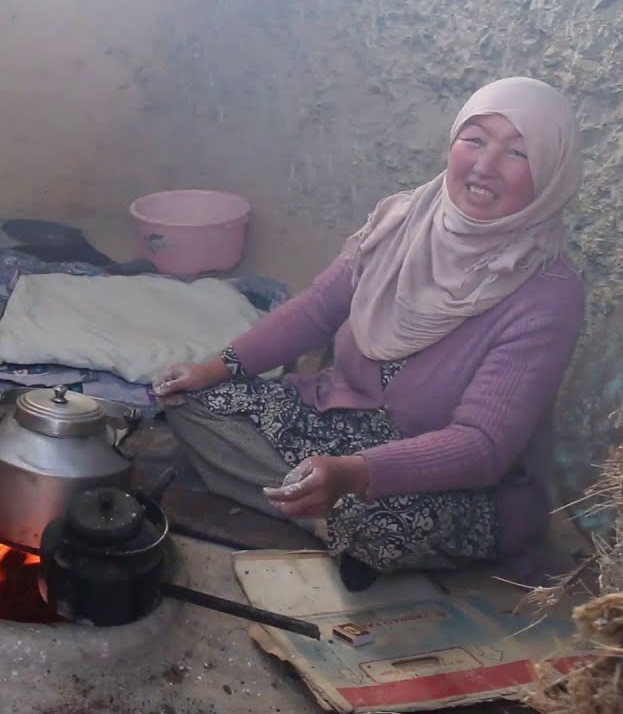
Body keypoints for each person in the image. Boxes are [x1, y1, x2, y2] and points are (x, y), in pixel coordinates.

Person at [153, 77, 584, 590]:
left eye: (517, 153)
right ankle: (319, 515)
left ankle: (319, 509)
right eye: (474, 140)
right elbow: (318, 309)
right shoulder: (402, 221)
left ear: (550, 174)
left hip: (450, 474)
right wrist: (215, 367)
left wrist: (355, 473)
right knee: (188, 401)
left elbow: (482, 446)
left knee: (379, 520)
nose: (485, 165)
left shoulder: (547, 294)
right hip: (343, 419)